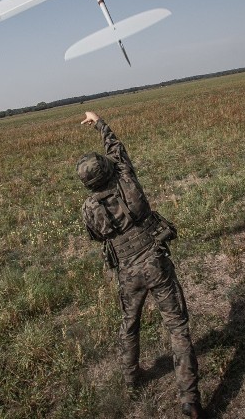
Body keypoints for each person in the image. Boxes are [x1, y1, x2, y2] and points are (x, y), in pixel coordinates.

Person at [76, 111, 203, 418]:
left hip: (127, 272)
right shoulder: (125, 177)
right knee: (177, 327)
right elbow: (116, 147)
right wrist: (100, 123)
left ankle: (131, 379)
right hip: (155, 260)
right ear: (108, 168)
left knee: (129, 325)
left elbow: (95, 237)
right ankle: (190, 402)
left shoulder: (88, 208)